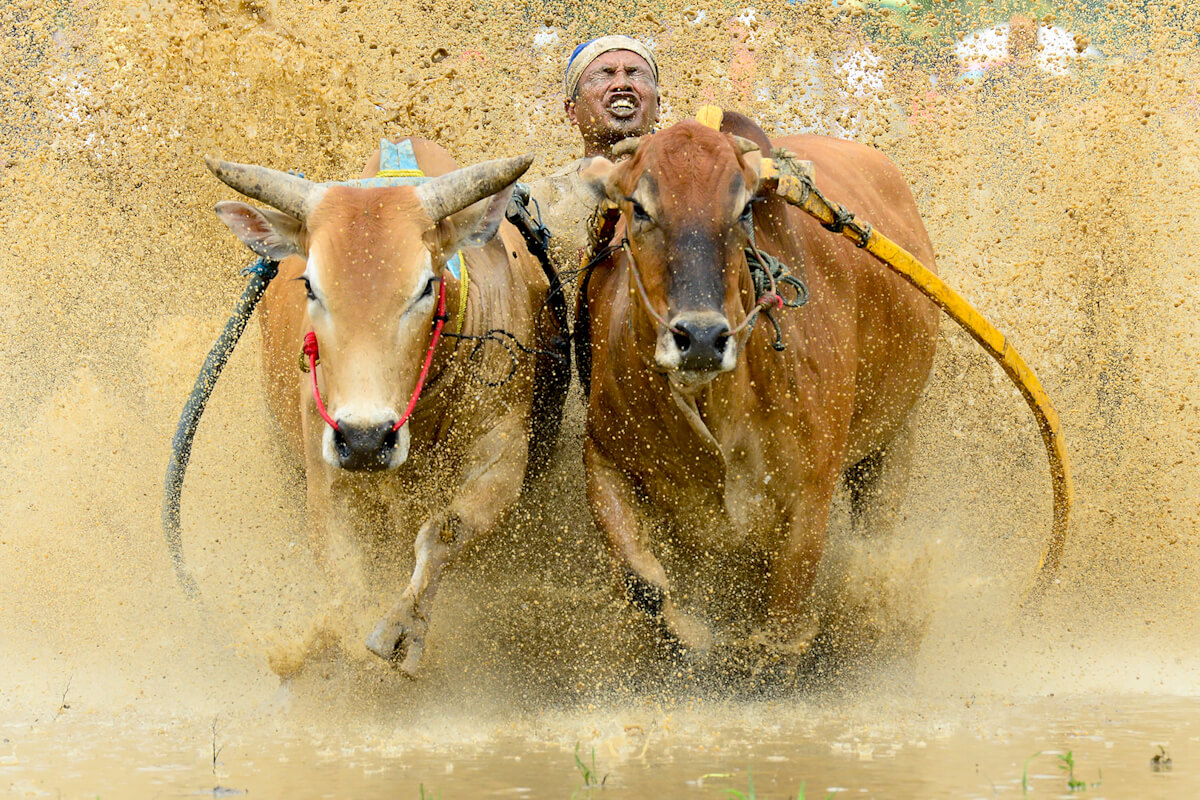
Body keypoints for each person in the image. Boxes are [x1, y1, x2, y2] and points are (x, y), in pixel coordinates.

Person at [526, 35, 661, 270]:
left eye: (634, 72)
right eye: (605, 73)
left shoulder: (693, 188)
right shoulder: (539, 204)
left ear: (658, 106)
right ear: (572, 110)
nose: (622, 83)